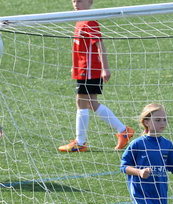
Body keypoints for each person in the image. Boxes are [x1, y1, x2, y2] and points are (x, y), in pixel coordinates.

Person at [57, 0, 134, 153]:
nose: (76, 4)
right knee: (91, 103)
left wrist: (105, 68)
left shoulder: (90, 21)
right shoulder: (79, 20)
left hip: (89, 69)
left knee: (81, 101)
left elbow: (100, 46)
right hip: (83, 68)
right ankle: (123, 131)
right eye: (74, 1)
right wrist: (75, 65)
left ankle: (80, 142)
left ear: (90, 1)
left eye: (79, 0)